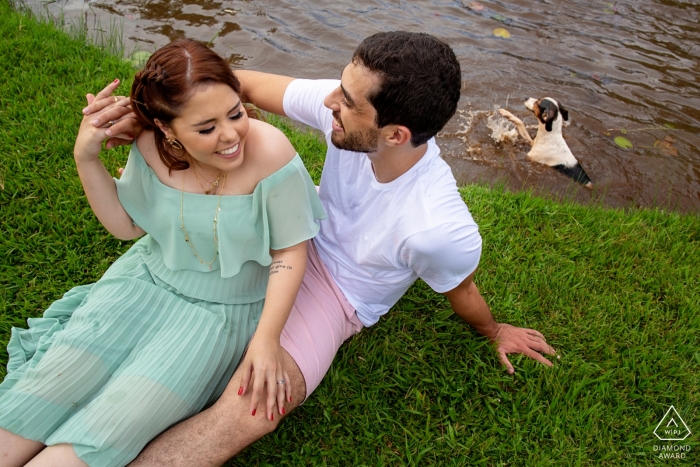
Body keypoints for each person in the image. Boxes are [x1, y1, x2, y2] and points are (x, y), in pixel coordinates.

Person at [89, 31, 557, 467]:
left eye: (346, 101)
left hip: (338, 291)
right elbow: (241, 86)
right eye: (339, 85)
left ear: (395, 134)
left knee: (253, 406)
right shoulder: (349, 111)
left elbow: (462, 288)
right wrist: (149, 116)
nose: (329, 100)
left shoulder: (434, 227)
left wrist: (494, 330)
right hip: (285, 234)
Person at [0, 38, 325, 467]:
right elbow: (126, 226)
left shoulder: (272, 153)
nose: (230, 136)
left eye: (236, 113)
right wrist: (87, 157)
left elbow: (289, 250)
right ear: (167, 128)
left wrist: (265, 341)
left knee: (112, 422)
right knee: (42, 396)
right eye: (206, 128)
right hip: (142, 285)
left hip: (220, 316)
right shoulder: (151, 146)